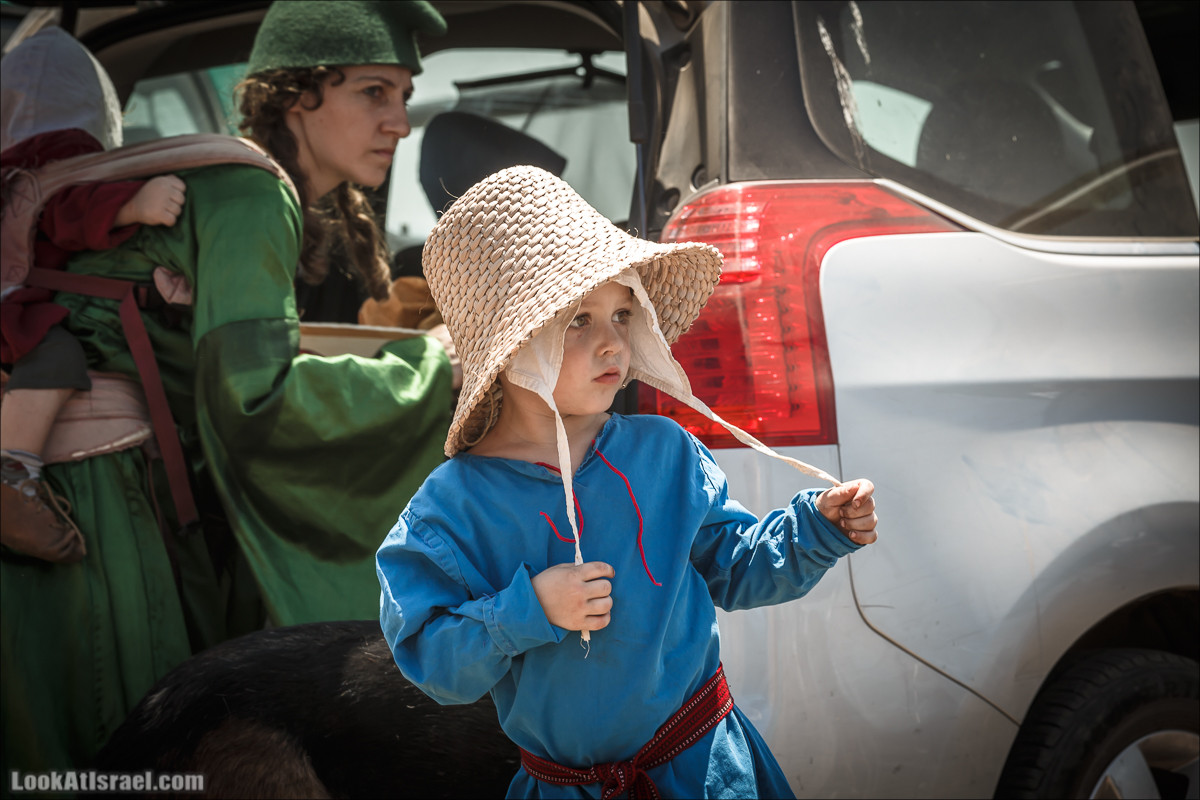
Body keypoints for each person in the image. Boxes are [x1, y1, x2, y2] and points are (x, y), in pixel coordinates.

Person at [1, 0, 455, 777]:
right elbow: (254, 405)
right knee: (125, 756)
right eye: (373, 93)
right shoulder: (250, 197)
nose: (401, 124)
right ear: (295, 96)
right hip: (98, 507)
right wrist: (442, 367)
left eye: (406, 97)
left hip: (77, 489)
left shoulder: (239, 192)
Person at [377, 165, 880, 799]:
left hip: (706, 774)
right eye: (578, 320)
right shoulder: (450, 510)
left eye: (621, 313)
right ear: (511, 349)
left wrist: (816, 530)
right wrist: (529, 609)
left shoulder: (663, 452)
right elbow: (433, 662)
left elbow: (738, 567)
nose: (614, 343)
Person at [1, 27, 188, 565]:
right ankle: (15, 469)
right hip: (18, 311)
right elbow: (72, 211)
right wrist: (133, 204)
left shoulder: (13, 172)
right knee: (56, 355)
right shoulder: (51, 171)